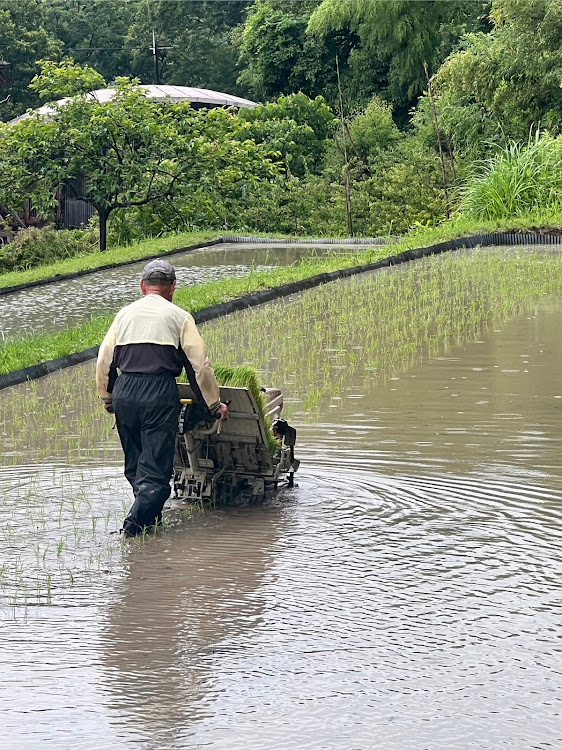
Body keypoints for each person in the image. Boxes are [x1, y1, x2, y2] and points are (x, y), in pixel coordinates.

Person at [96, 259, 228, 537]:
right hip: (158, 393)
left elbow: (104, 361)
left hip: (125, 393)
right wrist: (213, 406)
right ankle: (131, 532)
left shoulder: (124, 315)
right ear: (172, 289)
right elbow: (199, 366)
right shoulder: (179, 317)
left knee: (136, 466)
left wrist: (109, 398)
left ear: (143, 287)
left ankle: (149, 526)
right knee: (155, 476)